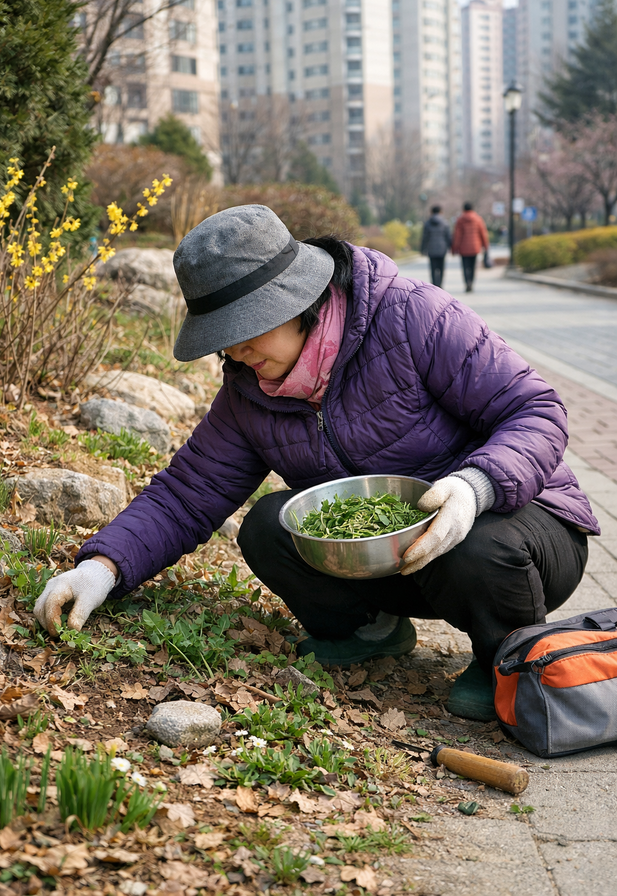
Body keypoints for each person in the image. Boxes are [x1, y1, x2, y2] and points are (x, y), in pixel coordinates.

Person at [33, 205, 598, 722]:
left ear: (297, 301)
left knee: (479, 544)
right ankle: (370, 631)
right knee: (270, 525)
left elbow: (536, 410)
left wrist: (474, 488)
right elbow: (187, 492)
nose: (233, 352)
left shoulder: (410, 316)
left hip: (520, 531)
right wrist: (103, 568)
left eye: (245, 330)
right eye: (222, 340)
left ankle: (507, 655)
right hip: (393, 556)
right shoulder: (249, 389)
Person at [451, 202, 489, 292]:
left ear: (463, 209)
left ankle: (467, 283)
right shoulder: (478, 219)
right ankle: (471, 283)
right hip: (475, 247)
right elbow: (483, 233)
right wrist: (485, 245)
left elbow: (457, 235)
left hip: (463, 248)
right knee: (473, 267)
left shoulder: (460, 220)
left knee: (465, 267)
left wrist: (455, 248)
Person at [420, 204, 452, 288]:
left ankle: (434, 285)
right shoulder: (445, 223)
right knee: (441, 268)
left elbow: (425, 237)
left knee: (433, 268)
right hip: (442, 248)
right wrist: (450, 247)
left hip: (431, 249)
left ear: (431, 212)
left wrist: (422, 249)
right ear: (441, 212)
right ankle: (440, 285)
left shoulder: (427, 223)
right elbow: (448, 236)